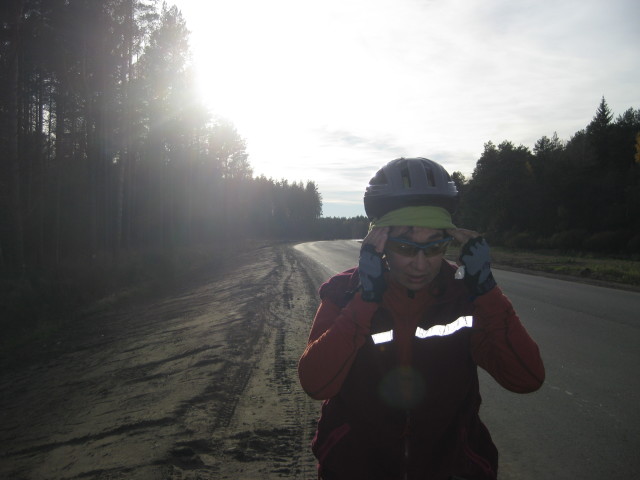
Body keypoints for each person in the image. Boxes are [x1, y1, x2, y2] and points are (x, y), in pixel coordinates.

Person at [298, 157, 545, 480]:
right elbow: (317, 383)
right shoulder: (344, 292)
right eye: (405, 247)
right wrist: (365, 300)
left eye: (434, 247)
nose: (420, 264)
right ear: (380, 243)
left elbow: (527, 378)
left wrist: (486, 290)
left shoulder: (463, 296)